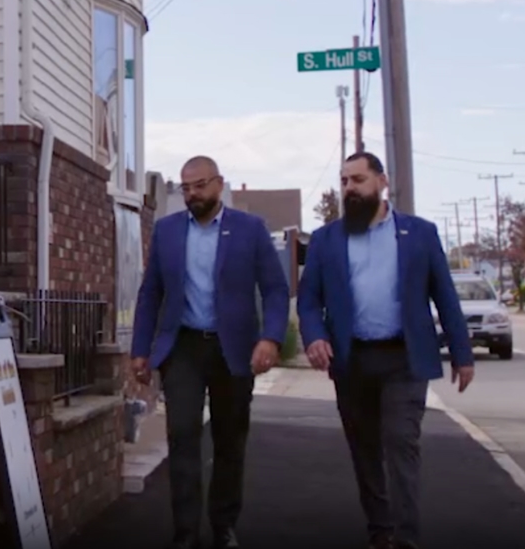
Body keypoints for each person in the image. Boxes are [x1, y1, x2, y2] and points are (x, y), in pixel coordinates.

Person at [297, 152, 475, 549]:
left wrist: (462, 354)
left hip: (404, 358)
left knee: (401, 442)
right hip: (352, 360)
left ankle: (406, 537)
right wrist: (314, 336)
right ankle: (380, 531)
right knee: (364, 450)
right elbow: (309, 301)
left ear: (382, 182)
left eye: (358, 179)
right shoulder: (326, 239)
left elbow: (445, 296)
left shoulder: (420, 234)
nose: (349, 188)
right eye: (344, 181)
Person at [131, 156, 290, 549]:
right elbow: (151, 292)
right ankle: (185, 532)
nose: (192, 194)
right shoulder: (167, 230)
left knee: (229, 440)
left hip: (232, 348)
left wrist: (270, 338)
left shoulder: (250, 229)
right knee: (182, 435)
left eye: (200, 186)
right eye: (185, 188)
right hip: (183, 346)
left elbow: (274, 288)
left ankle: (224, 525)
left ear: (219, 184)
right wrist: (140, 350)